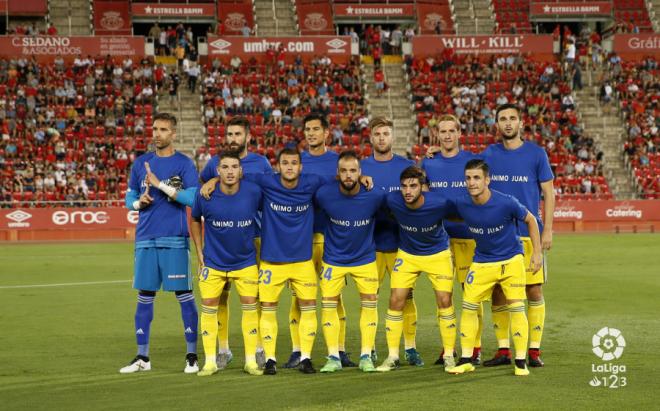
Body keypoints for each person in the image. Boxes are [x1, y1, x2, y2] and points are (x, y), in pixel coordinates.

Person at [446, 159, 542, 377]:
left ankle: (520, 362)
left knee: (516, 307)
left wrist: (536, 253)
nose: (472, 182)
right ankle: (466, 359)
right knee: (469, 306)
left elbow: (531, 220)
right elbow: (437, 211)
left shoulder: (506, 202)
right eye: (468, 178)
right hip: (481, 262)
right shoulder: (461, 204)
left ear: (487, 180)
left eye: (477, 177)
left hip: (511, 261)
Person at [120, 112, 199, 374]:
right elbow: (129, 195)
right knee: (144, 296)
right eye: (155, 129)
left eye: (163, 130)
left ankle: (191, 356)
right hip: (145, 238)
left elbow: (191, 199)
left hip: (174, 239)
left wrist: (160, 185)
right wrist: (137, 203)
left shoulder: (184, 164)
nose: (157, 134)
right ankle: (142, 357)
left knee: (184, 296)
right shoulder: (141, 163)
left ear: (173, 133)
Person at [481, 104, 554, 368]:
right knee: (498, 292)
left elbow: (549, 192)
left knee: (533, 290)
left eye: (512, 118)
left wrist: (547, 229)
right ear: (497, 124)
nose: (508, 123)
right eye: (503, 119)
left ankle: (533, 350)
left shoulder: (536, 154)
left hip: (528, 234)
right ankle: (503, 350)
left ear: (521, 123)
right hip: (499, 237)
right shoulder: (489, 154)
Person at [200, 116, 271, 370]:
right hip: (223, 239)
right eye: (229, 134)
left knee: (258, 296)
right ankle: (223, 348)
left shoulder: (261, 163)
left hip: (255, 236)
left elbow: (270, 192)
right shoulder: (214, 164)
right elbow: (204, 190)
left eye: (237, 134)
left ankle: (260, 347)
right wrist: (210, 180)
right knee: (220, 297)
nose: (232, 139)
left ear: (248, 137)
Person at [283, 113, 352, 369]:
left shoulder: (338, 162)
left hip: (332, 239)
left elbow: (351, 185)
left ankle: (340, 350)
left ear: (327, 133)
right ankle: (297, 350)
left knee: (335, 297)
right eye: (307, 130)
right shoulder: (297, 163)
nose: (310, 133)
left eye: (315, 129)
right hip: (302, 240)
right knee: (298, 298)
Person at [375, 166, 457, 372]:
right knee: (395, 300)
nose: (408, 191)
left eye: (413, 186)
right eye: (404, 186)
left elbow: (463, 214)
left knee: (445, 301)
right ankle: (393, 356)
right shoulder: (392, 200)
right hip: (408, 255)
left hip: (437, 255)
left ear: (423, 187)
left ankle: (449, 354)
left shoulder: (439, 202)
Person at [191, 151, 263, 376]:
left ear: (241, 171)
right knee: (209, 307)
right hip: (213, 263)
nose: (230, 171)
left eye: (234, 167)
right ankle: (211, 361)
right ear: (218, 171)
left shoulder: (254, 192)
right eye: (225, 167)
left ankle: (251, 361)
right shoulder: (205, 195)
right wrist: (199, 253)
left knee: (250, 307)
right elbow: (194, 219)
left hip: (246, 262)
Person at [315, 151, 385, 373]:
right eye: (344, 171)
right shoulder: (324, 194)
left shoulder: (374, 196)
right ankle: (333, 356)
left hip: (364, 259)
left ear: (360, 173)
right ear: (337, 173)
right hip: (333, 259)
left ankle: (366, 355)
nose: (348, 175)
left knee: (369, 302)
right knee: (328, 304)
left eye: (353, 170)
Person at [421, 115, 481, 365]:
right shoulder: (428, 163)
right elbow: (423, 195)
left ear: (459, 133)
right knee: (443, 296)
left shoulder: (472, 161)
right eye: (442, 131)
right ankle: (448, 348)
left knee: (471, 295)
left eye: (451, 131)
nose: (446, 135)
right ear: (437, 135)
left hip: (468, 236)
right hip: (440, 241)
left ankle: (474, 349)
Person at [360, 117, 420, 366]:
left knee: (405, 298)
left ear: (392, 137)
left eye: (386, 133)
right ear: (371, 137)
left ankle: (411, 348)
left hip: (400, 245)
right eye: (378, 134)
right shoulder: (360, 167)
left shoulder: (407, 167)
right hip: (370, 246)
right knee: (369, 298)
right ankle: (369, 348)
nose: (382, 138)